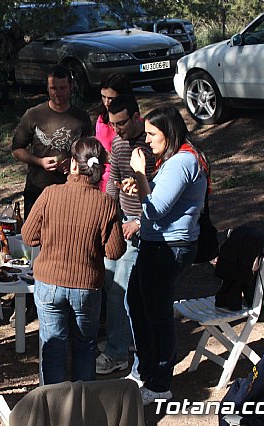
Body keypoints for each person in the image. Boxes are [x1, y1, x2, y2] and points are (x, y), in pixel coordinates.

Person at [120, 106, 208, 405]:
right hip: (157, 245)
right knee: (136, 303)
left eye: (152, 134)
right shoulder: (174, 160)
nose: (147, 140)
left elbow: (155, 210)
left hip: (168, 248)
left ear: (168, 133)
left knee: (157, 315)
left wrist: (141, 174)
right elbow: (158, 198)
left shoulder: (182, 162)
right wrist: (144, 183)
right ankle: (144, 370)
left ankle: (160, 384)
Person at [21, 136, 125, 385]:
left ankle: (54, 408)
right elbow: (114, 251)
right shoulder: (106, 204)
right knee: (85, 346)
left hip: (49, 282)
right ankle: (81, 405)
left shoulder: (49, 194)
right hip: (87, 286)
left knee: (53, 345)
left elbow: (28, 236)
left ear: (74, 166)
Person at [97, 94, 155, 377]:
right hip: (120, 223)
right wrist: (108, 217)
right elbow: (112, 183)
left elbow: (163, 194)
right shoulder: (118, 143)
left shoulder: (153, 143)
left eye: (121, 124)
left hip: (144, 225)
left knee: (121, 288)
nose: (116, 130)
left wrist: (140, 222)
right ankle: (123, 340)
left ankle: (118, 352)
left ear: (136, 117)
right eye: (112, 124)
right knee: (108, 280)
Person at [11, 64, 93, 219]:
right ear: (48, 89)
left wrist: (75, 163)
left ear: (70, 87)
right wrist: (39, 161)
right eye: (53, 88)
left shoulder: (81, 117)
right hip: (38, 190)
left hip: (71, 191)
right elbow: (17, 149)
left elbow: (90, 153)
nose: (58, 93)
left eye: (62, 88)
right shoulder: (33, 115)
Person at [95, 73, 133, 191]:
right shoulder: (101, 119)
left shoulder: (131, 123)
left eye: (111, 98)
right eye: (103, 97)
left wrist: (112, 158)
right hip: (102, 179)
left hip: (126, 181)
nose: (106, 103)